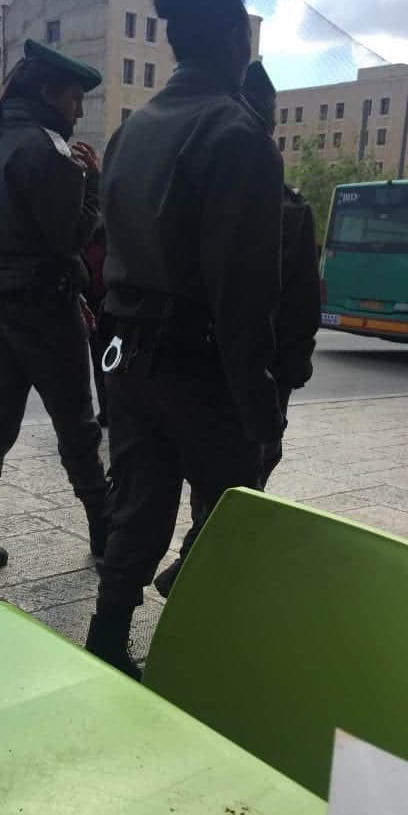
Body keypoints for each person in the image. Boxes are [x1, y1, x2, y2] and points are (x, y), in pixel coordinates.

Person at [84, 0, 285, 678]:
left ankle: (107, 644)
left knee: (136, 506)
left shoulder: (131, 131)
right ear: (236, 41)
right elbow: (244, 296)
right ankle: (202, 662)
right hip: (201, 366)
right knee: (229, 514)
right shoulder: (238, 137)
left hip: (128, 357)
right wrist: (260, 410)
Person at [0, 39, 111, 581]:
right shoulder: (47, 148)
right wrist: (93, 186)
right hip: (46, 304)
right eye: (75, 97)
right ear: (47, 91)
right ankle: (106, 535)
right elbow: (71, 239)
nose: (80, 109)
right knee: (78, 430)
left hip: (3, 304)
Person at [153, 61, 322, 598]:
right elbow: (300, 305)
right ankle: (201, 559)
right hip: (258, 363)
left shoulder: (190, 186)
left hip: (198, 355)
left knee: (211, 464)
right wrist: (291, 371)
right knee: (247, 464)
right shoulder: (289, 207)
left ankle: (197, 554)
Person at [82, 224, 109, 426]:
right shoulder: (83, 245)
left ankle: (112, 409)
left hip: (107, 309)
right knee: (99, 363)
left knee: (107, 364)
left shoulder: (108, 241)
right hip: (91, 308)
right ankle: (106, 410)